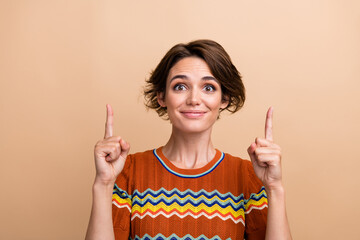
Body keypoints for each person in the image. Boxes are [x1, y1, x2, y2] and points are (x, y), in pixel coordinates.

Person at [85, 40, 292, 240]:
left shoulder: (249, 177)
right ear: (162, 97)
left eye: (209, 88)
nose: (194, 99)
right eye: (180, 87)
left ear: (224, 99)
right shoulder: (127, 172)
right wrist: (103, 184)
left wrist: (275, 187)